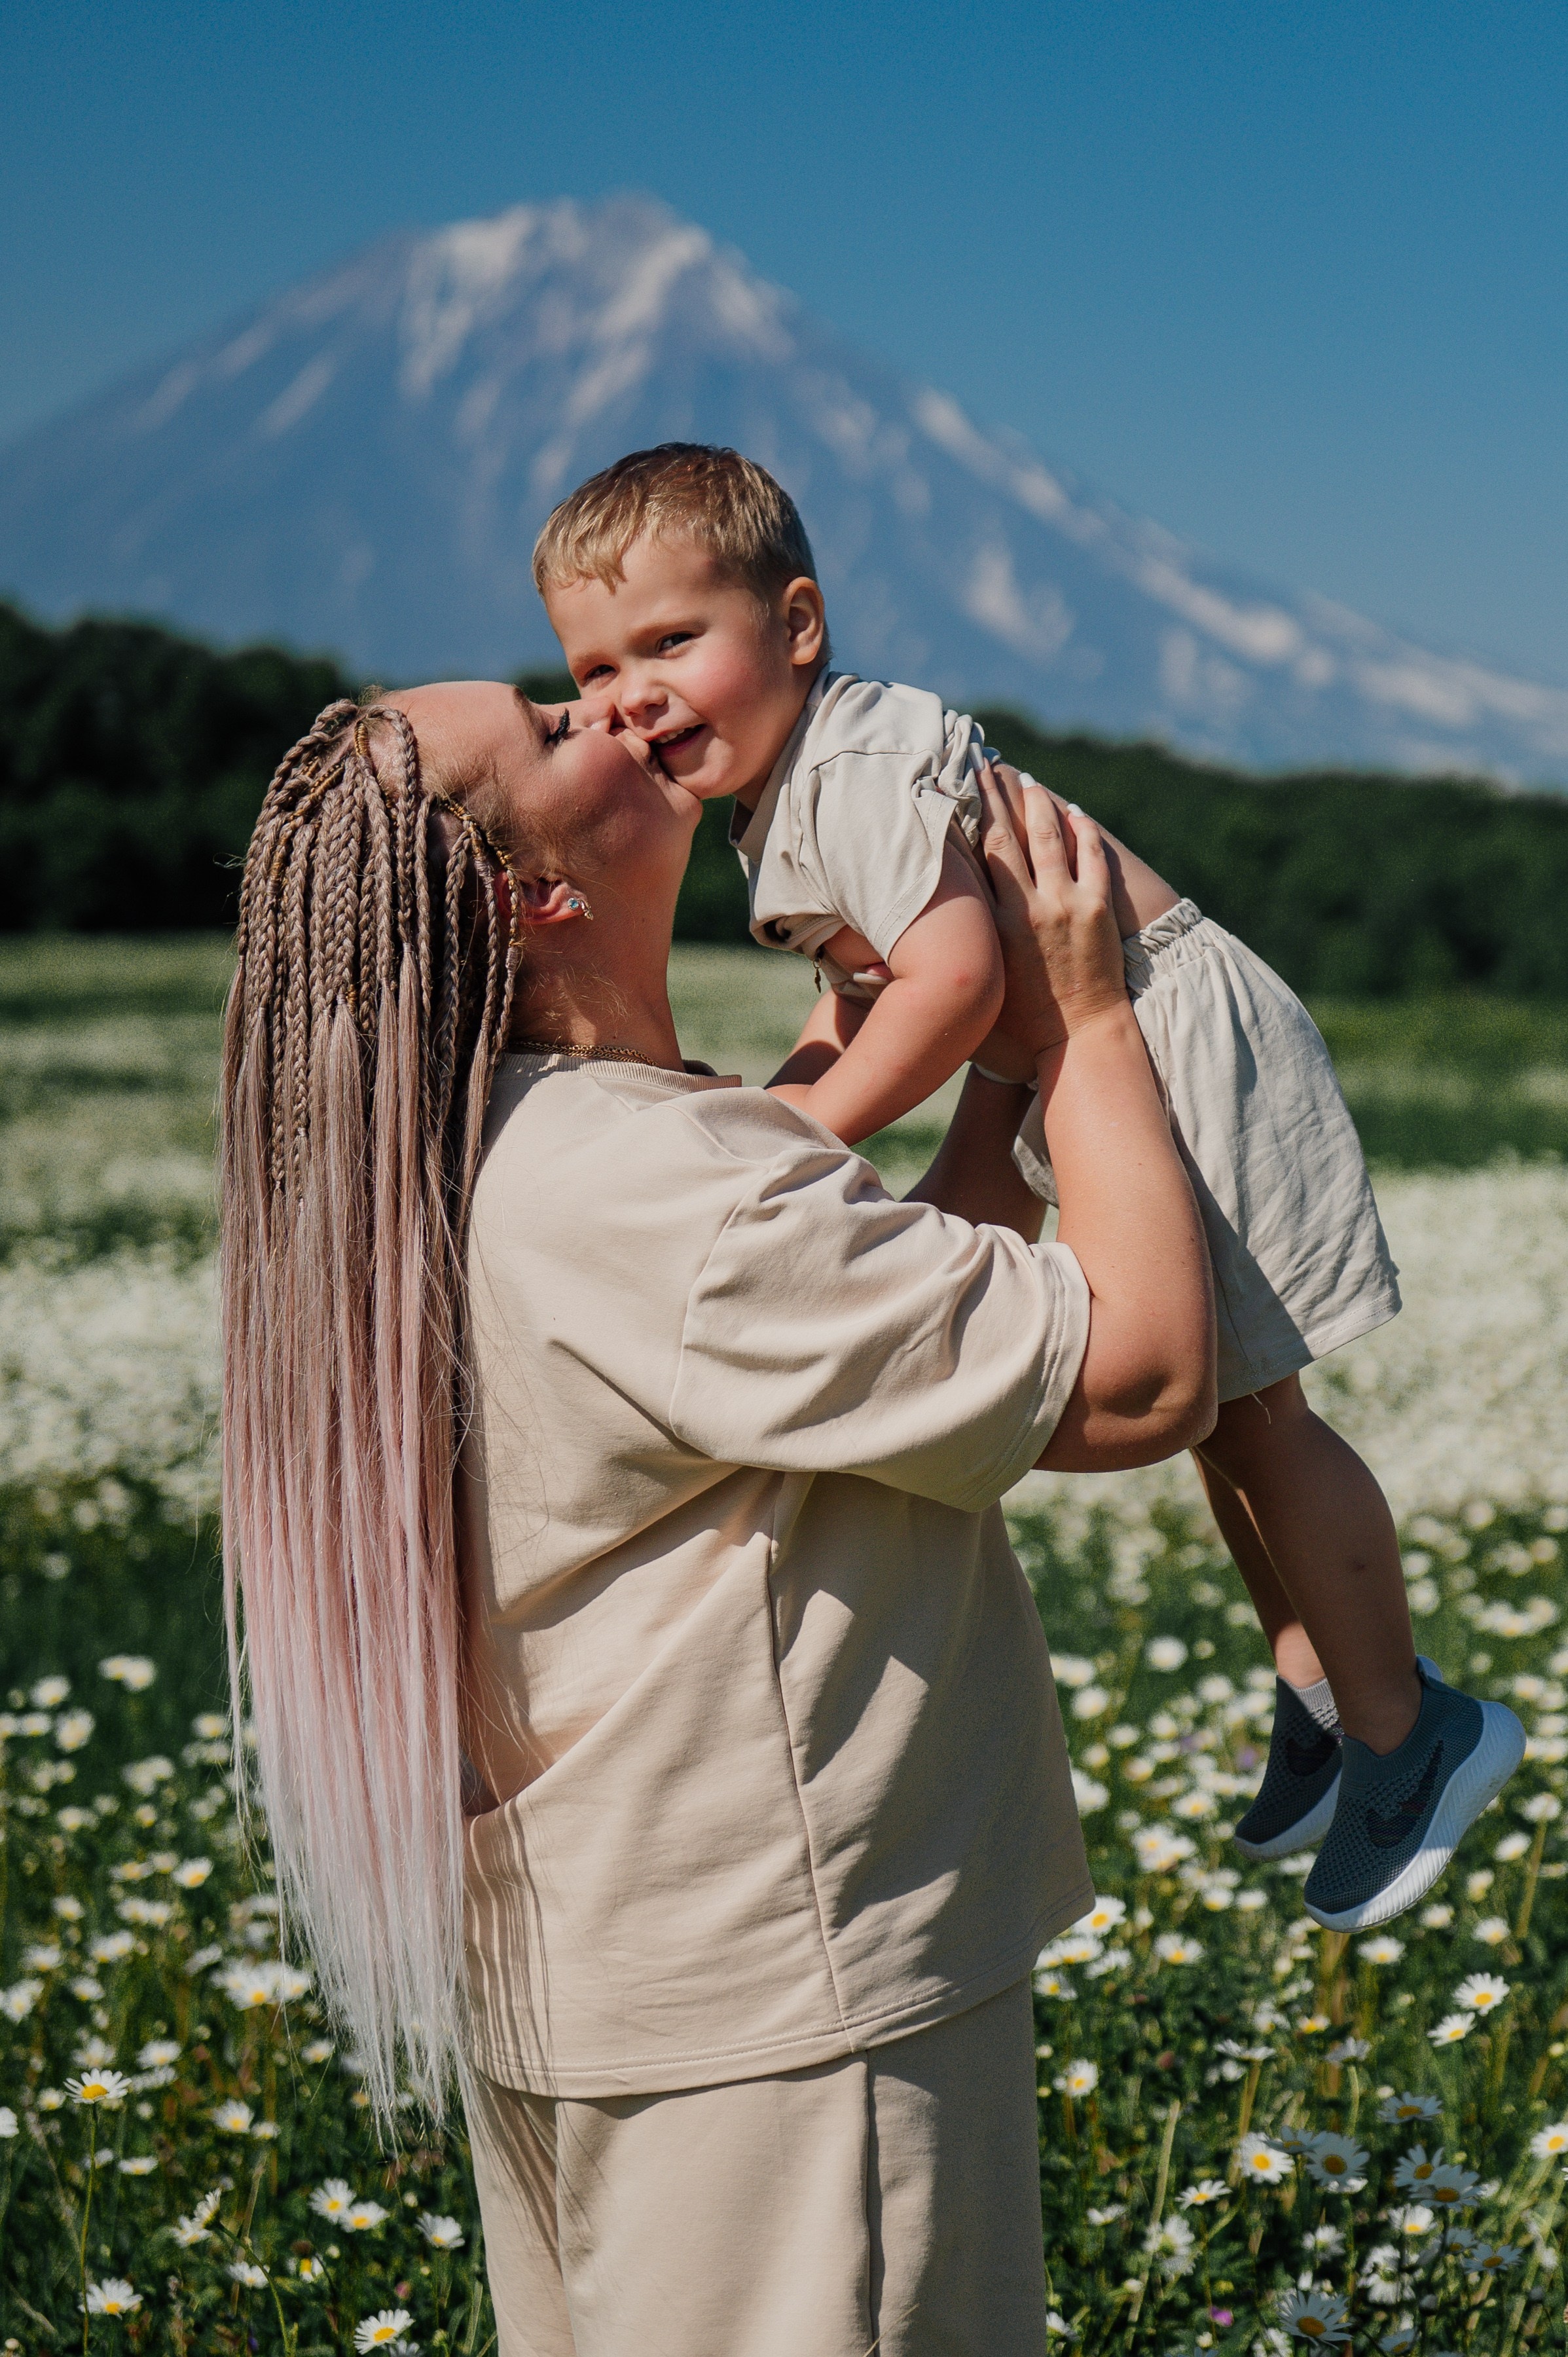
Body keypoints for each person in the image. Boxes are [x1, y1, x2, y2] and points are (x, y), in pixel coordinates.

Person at [220, 678, 1215, 2356]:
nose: (607, 704)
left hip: (623, 1984)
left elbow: (903, 1338)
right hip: (788, 2014)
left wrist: (994, 1070)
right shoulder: (648, 1184)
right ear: (531, 895)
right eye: (550, 730)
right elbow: (1137, 1379)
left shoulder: (503, 1152)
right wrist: (1096, 1017)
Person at [532, 442, 1525, 1931]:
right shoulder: (789, 792)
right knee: (1223, 1418)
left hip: (1172, 1039)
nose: (632, 695)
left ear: (795, 627)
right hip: (1098, 1058)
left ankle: (1409, 1729)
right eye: (595, 666)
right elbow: (855, 992)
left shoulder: (851, 771)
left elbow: (947, 981)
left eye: (674, 641)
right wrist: (783, 1105)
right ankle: (1318, 1680)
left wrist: (810, 1141)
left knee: (1254, 1409)